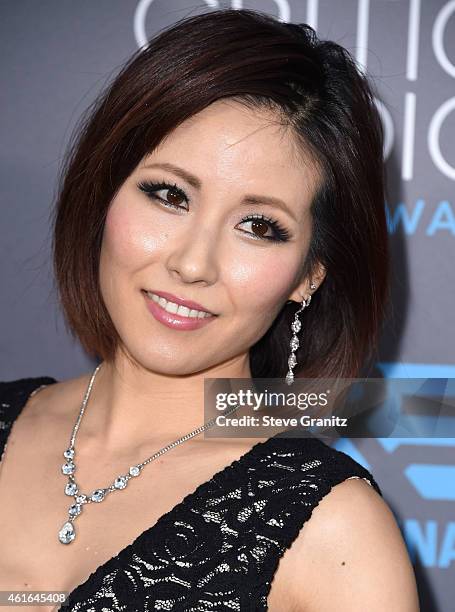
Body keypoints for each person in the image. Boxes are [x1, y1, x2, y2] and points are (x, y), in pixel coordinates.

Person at [0, 8, 419, 612]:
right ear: (103, 195)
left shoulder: (333, 533)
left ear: (308, 274)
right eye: (169, 195)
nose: (194, 264)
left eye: (258, 226)